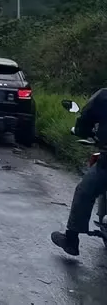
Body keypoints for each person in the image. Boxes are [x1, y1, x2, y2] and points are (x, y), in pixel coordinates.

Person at [51, 88, 107, 256]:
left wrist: (82, 130)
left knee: (84, 191)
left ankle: (71, 239)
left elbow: (84, 122)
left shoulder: (103, 96)